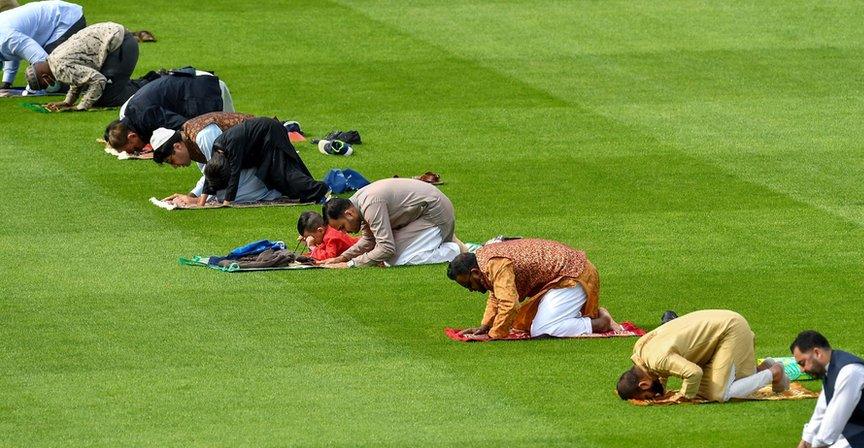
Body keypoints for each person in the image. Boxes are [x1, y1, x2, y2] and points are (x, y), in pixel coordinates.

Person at [446, 238, 618, 339]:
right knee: (524, 323)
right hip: (561, 278)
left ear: (475, 273)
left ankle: (601, 323)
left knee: (542, 329)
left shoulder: (495, 264)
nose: (470, 289)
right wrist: (485, 326)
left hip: (574, 276)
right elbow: (496, 294)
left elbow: (508, 303)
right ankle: (580, 314)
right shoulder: (484, 261)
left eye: (468, 284)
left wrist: (494, 335)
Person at [615, 309, 789, 403]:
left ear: (644, 384)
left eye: (648, 396)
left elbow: (693, 373)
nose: (654, 398)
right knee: (704, 391)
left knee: (720, 394)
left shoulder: (657, 359)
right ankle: (762, 368)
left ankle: (774, 372)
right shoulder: (640, 349)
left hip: (730, 330)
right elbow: (660, 373)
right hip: (719, 332)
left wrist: (682, 396)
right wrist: (665, 391)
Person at [322, 178, 463, 268]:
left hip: (435, 214)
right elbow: (369, 239)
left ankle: (454, 251)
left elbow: (386, 248)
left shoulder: (370, 204)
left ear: (349, 214)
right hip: (423, 214)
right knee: (388, 256)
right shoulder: (356, 204)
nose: (343, 232)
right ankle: (445, 242)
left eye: (342, 227)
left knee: (395, 260)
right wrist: (342, 257)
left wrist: (350, 264)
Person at [104, 68, 233, 154]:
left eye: (134, 149)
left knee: (218, 142)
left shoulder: (144, 116)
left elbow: (185, 125)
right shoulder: (132, 114)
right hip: (197, 83)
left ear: (131, 136)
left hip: (203, 89)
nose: (138, 150)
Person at [201, 116, 327, 204]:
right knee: (278, 175)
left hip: (271, 133)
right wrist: (201, 202)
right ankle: (310, 191)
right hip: (262, 142)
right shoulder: (216, 151)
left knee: (281, 173)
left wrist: (227, 201)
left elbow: (235, 173)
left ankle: (320, 189)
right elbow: (209, 175)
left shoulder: (232, 145)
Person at [151, 111, 257, 206]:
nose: (175, 166)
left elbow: (225, 169)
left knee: (223, 196)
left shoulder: (203, 136)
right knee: (219, 194)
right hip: (246, 159)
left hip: (264, 152)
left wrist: (198, 201)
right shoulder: (189, 142)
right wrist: (191, 196)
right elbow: (209, 175)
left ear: (177, 146)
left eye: (171, 161)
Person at [25, 22, 138, 110]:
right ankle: (148, 81)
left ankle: (151, 85)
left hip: (121, 43)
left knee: (109, 98)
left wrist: (81, 106)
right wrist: (68, 102)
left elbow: (98, 80)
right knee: (99, 93)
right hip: (117, 38)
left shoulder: (59, 68)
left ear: (45, 77)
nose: (47, 88)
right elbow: (79, 78)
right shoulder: (53, 58)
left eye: (44, 86)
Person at [0, 0, 84, 89]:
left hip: (66, 18)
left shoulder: (6, 38)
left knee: (53, 65)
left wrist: (31, 90)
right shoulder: (5, 40)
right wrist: (7, 83)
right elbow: (12, 52)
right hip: (55, 16)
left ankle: (87, 83)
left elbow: (41, 59)